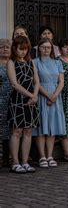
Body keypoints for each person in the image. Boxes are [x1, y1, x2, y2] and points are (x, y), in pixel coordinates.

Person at [7, 36, 40, 173]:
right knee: (17, 131)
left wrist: (35, 95)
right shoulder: (11, 62)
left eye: (25, 49)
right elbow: (14, 83)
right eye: (21, 49)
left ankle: (25, 162)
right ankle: (15, 162)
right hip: (18, 101)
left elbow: (37, 81)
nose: (23, 52)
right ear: (15, 48)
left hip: (31, 101)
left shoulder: (31, 62)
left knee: (28, 131)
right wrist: (31, 95)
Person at [32, 38, 66, 168]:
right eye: (43, 47)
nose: (46, 50)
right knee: (41, 126)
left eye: (48, 47)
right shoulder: (34, 62)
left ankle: (50, 155)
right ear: (38, 48)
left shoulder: (57, 63)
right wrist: (48, 96)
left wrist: (55, 95)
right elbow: (36, 82)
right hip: (42, 95)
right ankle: (42, 156)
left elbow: (61, 81)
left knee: (52, 126)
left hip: (55, 96)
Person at [0, 39, 12, 167]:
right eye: (2, 47)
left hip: (13, 100)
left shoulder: (13, 63)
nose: (4, 49)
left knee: (11, 130)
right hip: (1, 100)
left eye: (7, 47)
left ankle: (9, 156)